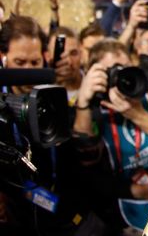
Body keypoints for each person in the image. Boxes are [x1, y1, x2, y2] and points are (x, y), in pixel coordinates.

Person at [0, 16, 96, 235]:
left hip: (60, 213)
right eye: (19, 63)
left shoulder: (53, 98)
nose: (27, 72)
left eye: (34, 63)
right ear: (3, 59)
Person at [73, 39, 148, 231]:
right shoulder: (91, 111)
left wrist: (138, 114)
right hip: (126, 213)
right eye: (112, 70)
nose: (121, 75)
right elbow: (86, 161)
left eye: (125, 67)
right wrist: (83, 102)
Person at [45, 26, 83, 107]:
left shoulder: (93, 86)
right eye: (60, 54)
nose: (68, 61)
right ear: (47, 57)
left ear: (81, 54)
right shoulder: (42, 93)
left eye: (73, 53)